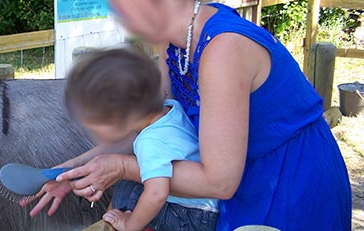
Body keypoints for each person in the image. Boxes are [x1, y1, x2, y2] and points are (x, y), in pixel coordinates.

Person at [25, 1, 352, 230]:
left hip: (287, 180)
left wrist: (123, 168)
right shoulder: (175, 43)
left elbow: (220, 181)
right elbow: (142, 121)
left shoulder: (222, 50)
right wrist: (70, 170)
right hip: (240, 174)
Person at [59, 49, 216, 230]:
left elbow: (157, 194)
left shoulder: (149, 142)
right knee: (127, 183)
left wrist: (129, 224)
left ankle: (117, 224)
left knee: (128, 192)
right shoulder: (170, 109)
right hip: (203, 206)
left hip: (191, 217)